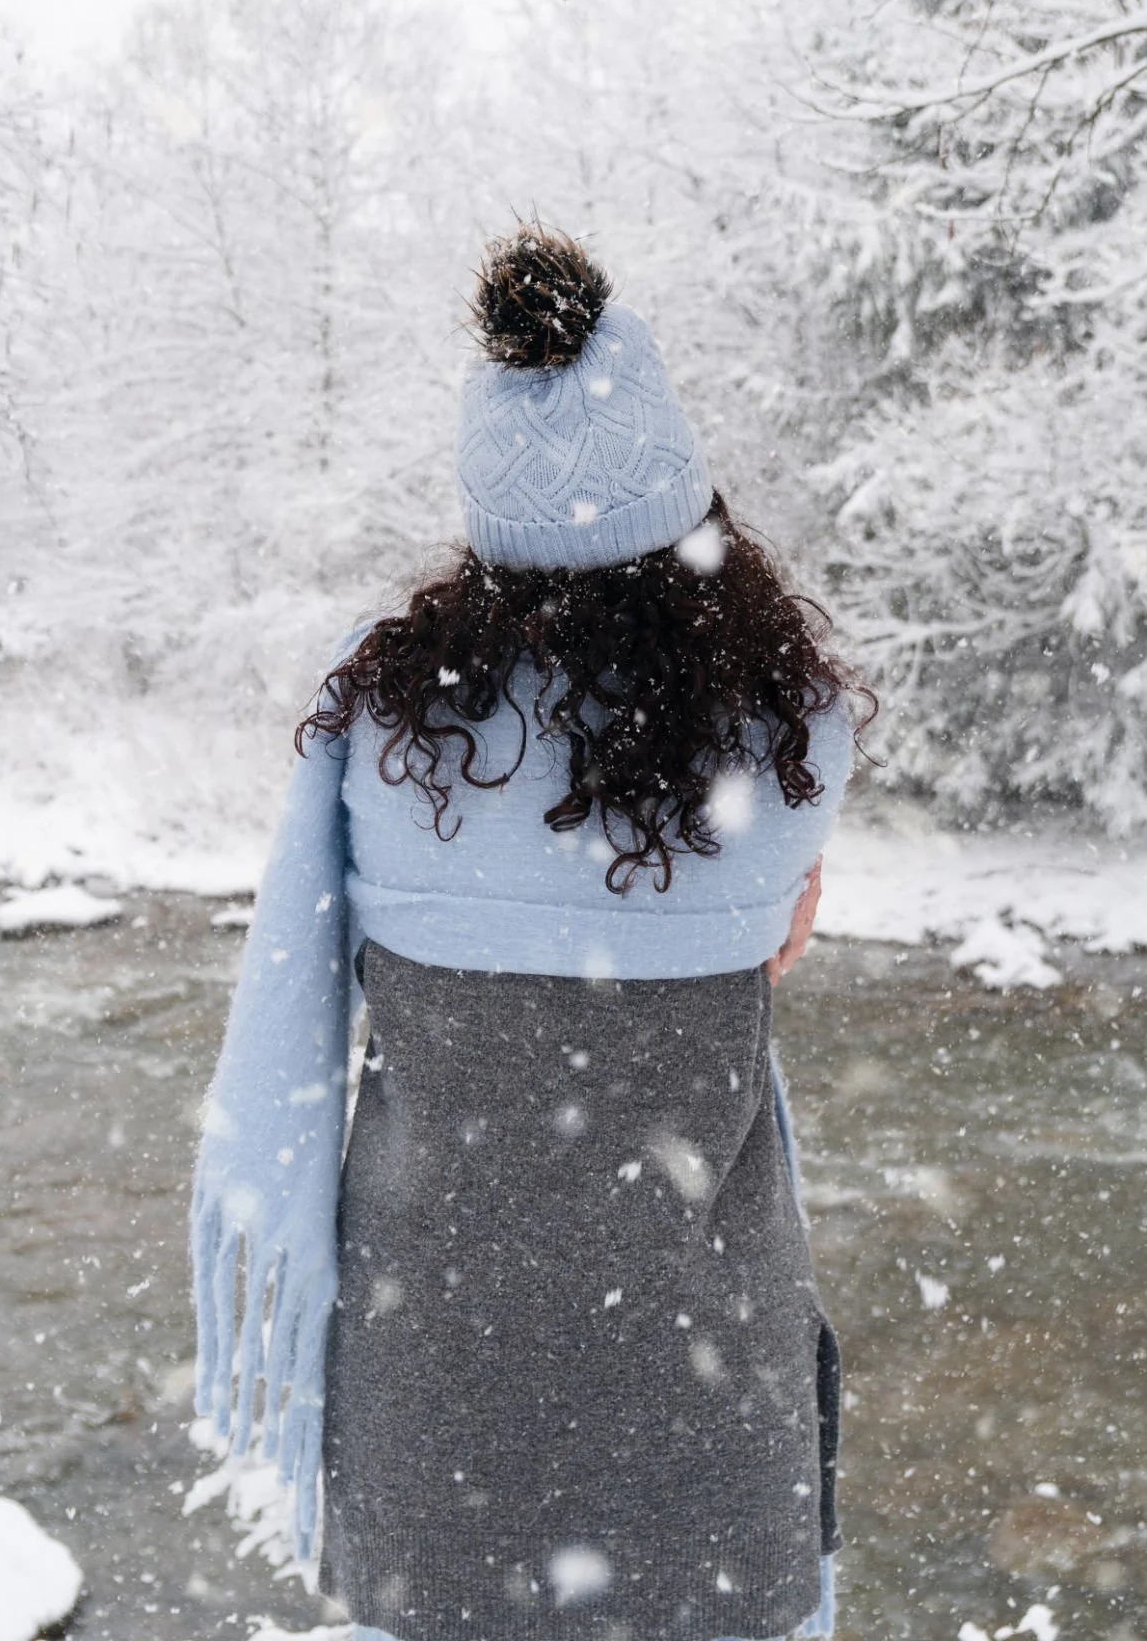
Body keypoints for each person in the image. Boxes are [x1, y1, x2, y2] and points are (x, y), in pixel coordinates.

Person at [191, 224, 875, 1641]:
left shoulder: (384, 736)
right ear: (689, 499)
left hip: (434, 1390)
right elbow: (772, 949)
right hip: (699, 1386)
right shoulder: (790, 739)